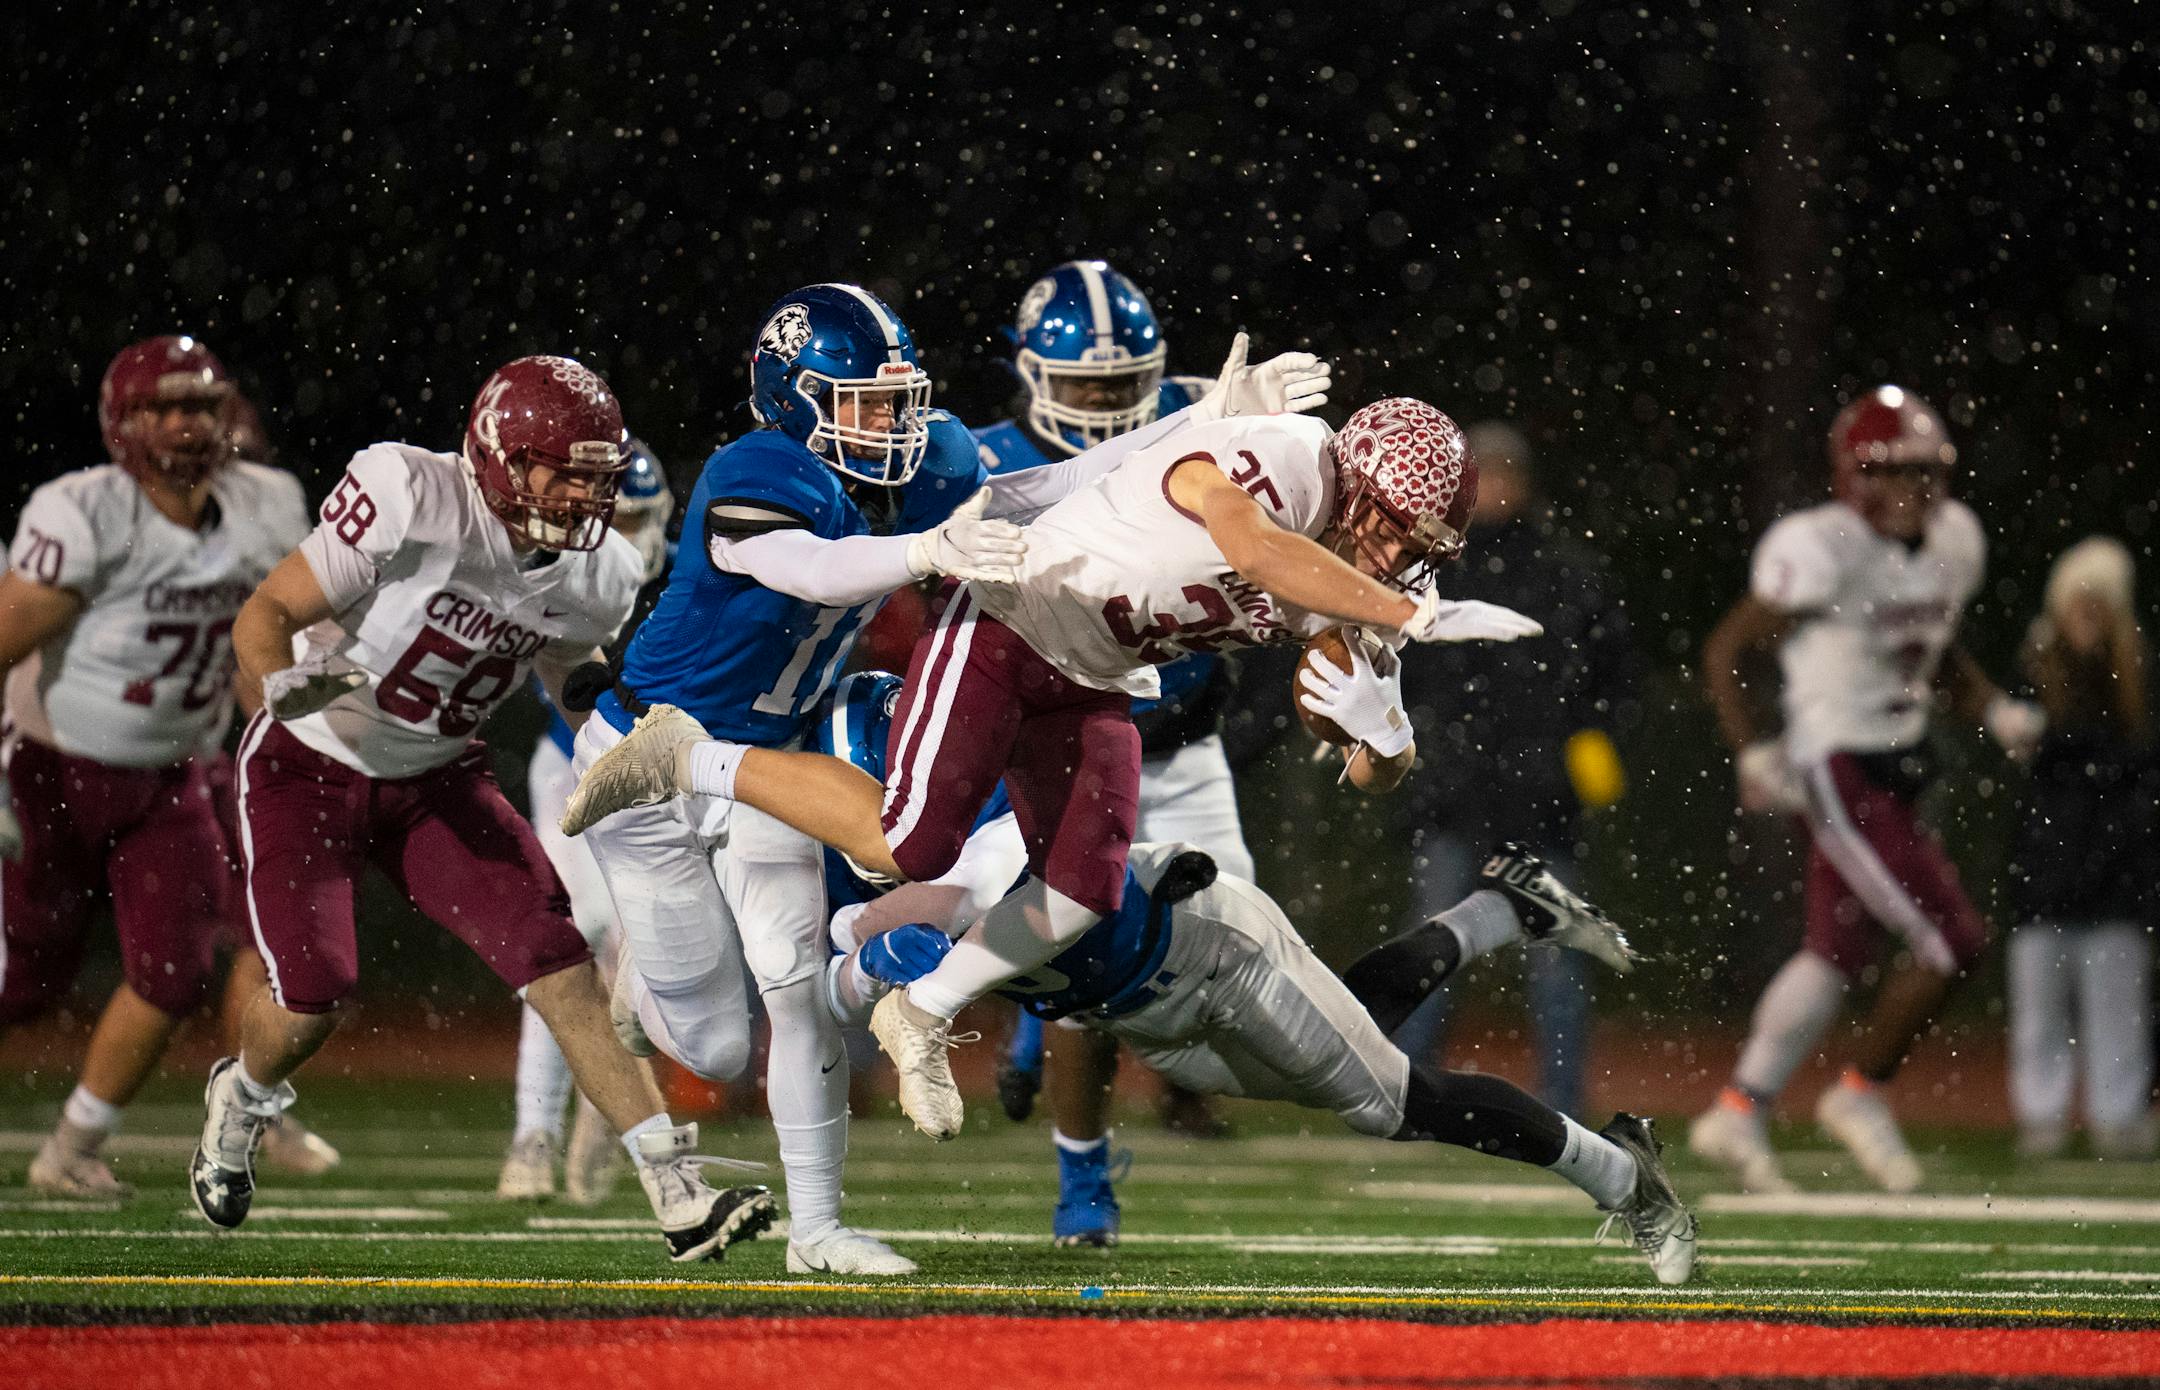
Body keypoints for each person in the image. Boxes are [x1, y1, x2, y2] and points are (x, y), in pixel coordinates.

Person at [568, 384, 1551, 1149]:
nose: (1392, 555)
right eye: (1384, 525)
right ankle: (690, 755)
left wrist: (1386, 736)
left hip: (1097, 672)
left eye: (1414, 546)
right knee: (910, 841)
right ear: (1354, 476)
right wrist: (1393, 614)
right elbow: (1256, 548)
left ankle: (923, 1006)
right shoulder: (1291, 466)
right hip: (1011, 618)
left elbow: (1371, 758)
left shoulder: (1383, 575)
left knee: (1083, 885)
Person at [193, 354, 775, 1267]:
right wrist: (284, 681)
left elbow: (568, 684)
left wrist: (637, 753)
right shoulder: (409, 493)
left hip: (438, 778)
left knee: (562, 969)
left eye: (598, 474)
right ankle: (242, 1097)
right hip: (309, 763)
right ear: (501, 456)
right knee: (313, 999)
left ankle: (679, 1194)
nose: (587, 495)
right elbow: (264, 614)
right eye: (567, 472)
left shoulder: (603, 573)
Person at [568, 283, 1015, 1277]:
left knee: (794, 988)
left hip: (768, 764)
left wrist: (1197, 431)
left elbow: (1043, 482)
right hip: (648, 768)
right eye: (861, 402)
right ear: (794, 396)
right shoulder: (757, 466)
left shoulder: (919, 465)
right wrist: (922, 549)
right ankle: (640, 980)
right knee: (717, 1048)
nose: (890, 425)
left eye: (898, 402)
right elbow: (810, 569)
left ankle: (817, 1231)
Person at [1689, 385, 2044, 1193]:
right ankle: (1862, 1093)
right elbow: (1728, 648)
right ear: (1857, 477)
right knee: (1952, 941)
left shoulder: (1954, 540)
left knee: (1835, 952)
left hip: (1899, 757)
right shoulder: (1826, 548)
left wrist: (1991, 707)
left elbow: (1937, 646)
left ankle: (1738, 1109)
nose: (1915, 490)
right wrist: (1753, 751)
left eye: (1926, 472)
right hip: (1836, 761)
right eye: (1897, 473)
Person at [975, 260, 1249, 1242]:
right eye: (1086, 387)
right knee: (1086, 975)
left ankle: (1030, 1011)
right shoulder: (988, 461)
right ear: (1033, 373)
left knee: (1227, 968)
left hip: (1182, 743)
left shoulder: (1199, 426)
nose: (1105, 405)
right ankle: (1081, 1177)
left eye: (1122, 384)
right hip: (1064, 757)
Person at [0, 337, 311, 1198]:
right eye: (163, 408)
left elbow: (291, 637)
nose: (184, 425)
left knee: (173, 974)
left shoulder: (267, 505)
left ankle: (72, 1146)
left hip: (172, 772)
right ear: (121, 421)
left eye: (201, 407)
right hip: (52, 771)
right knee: (22, 982)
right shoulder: (84, 511)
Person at [1386, 422, 1640, 1121]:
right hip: (1455, 795)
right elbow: (1398, 670)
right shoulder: (1429, 571)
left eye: (1505, 474)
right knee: (1434, 951)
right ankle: (1406, 1095)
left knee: (1556, 961)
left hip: (1537, 799)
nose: (1496, 488)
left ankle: (1562, 1101)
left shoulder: (1567, 574)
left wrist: (1581, 745)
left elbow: (1613, 678)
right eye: (1485, 475)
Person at [497, 441, 676, 1203]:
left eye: (638, 518)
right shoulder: (569, 571)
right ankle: (533, 1132)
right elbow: (571, 699)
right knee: (564, 953)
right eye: (613, 518)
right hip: (574, 765)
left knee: (658, 966)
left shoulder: (693, 572)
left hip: (674, 776)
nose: (624, 535)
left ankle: (612, 1108)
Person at [2004, 536, 2158, 1159]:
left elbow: (2135, 765)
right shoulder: (2036, 668)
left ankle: (2115, 1116)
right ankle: (2041, 1115)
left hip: (2115, 870)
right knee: (2040, 1001)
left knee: (2116, 1005)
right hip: (2049, 866)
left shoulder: (2141, 674)